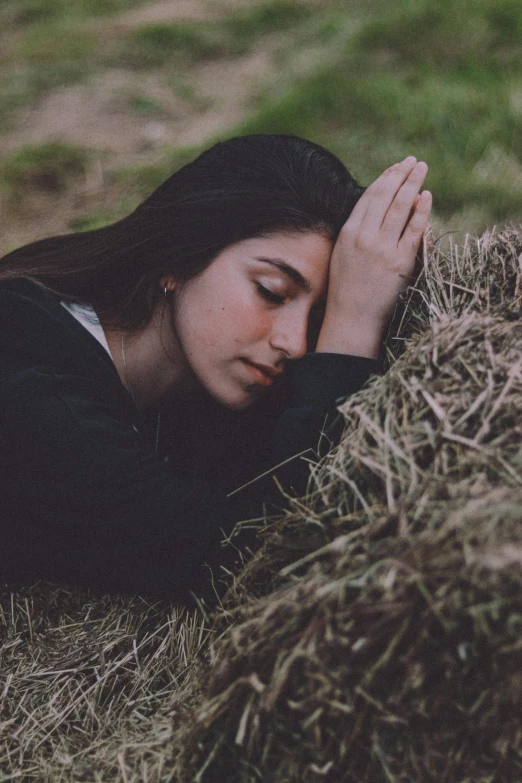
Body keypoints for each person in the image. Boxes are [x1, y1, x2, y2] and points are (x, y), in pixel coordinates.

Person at [0, 135, 431, 602]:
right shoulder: (29, 388)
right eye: (271, 291)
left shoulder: (192, 392)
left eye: (319, 318)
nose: (296, 343)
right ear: (180, 255)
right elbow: (252, 563)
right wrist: (351, 328)